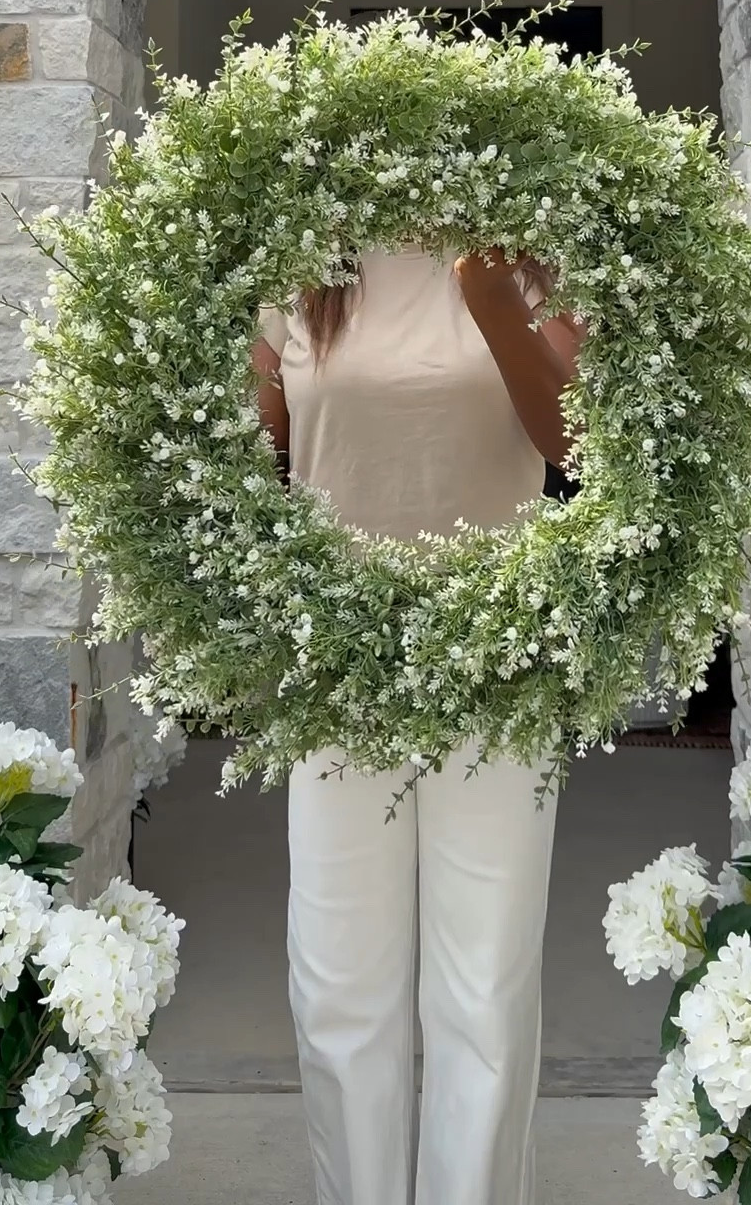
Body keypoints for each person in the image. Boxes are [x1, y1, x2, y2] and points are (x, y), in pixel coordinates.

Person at [251, 239, 586, 1205]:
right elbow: (249, 450)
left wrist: (485, 294)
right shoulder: (301, 262)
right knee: (339, 988)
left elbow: (571, 438)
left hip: (496, 661)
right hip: (336, 671)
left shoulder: (534, 255)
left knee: (483, 989)